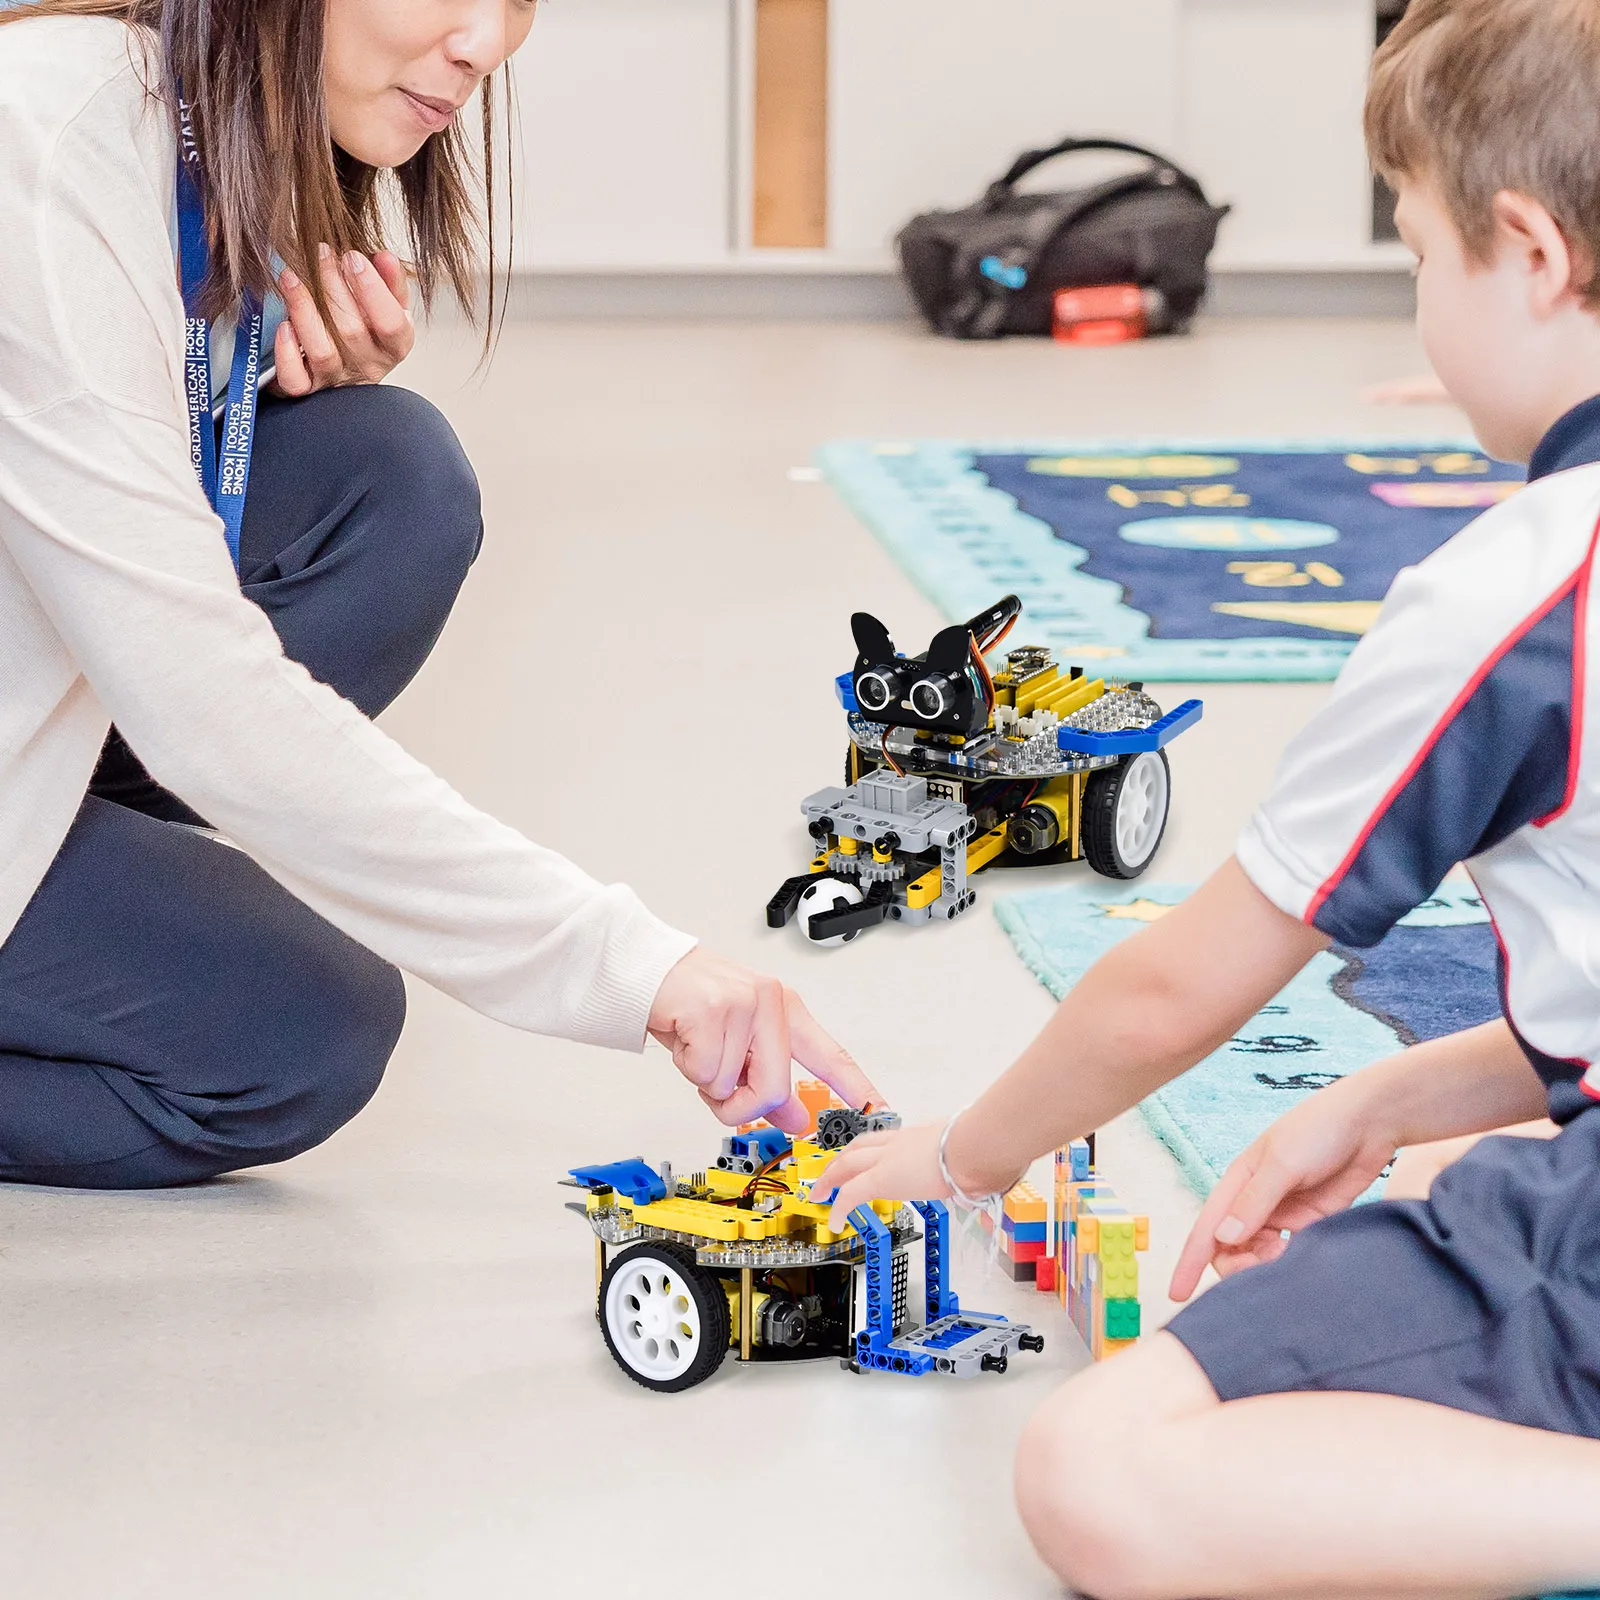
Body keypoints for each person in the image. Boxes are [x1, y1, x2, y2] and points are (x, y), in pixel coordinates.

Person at [819, 2, 1600, 1594]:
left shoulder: (1518, 593)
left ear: (1529, 253)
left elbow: (1179, 987)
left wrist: (963, 1161)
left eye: (1418, 255)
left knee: (1100, 1471)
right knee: (1440, 1182)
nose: (1420, 302)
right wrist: (1385, 1100)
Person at [0, 0, 875, 1191]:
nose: (484, 43)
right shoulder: (51, 141)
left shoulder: (207, 127)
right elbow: (198, 689)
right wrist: (634, 967)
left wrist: (255, 378)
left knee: (391, 476)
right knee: (300, 1032)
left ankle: (86, 840)